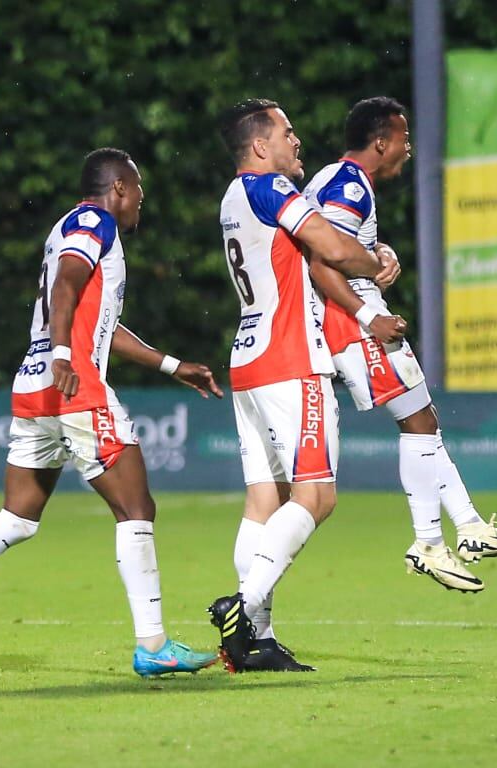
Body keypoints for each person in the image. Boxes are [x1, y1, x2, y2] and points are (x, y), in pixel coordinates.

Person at [0, 148, 222, 680]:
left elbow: (102, 326)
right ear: (118, 188)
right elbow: (67, 284)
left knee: (19, 515)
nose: (142, 202)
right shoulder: (95, 221)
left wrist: (171, 365)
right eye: (138, 191)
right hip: (74, 387)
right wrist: (66, 355)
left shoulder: (67, 227)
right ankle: (154, 645)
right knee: (136, 507)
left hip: (35, 386)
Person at [302, 97, 497, 593]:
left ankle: (466, 529)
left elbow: (341, 250)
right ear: (381, 141)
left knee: (422, 419)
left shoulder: (337, 179)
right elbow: (322, 263)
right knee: (417, 422)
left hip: (348, 317)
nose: (408, 150)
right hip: (350, 320)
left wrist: (378, 254)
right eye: (404, 139)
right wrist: (370, 317)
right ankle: (431, 542)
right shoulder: (348, 186)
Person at [207, 99, 406, 673]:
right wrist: (378, 263)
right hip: (291, 359)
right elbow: (334, 246)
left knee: (264, 502)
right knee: (316, 497)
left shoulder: (230, 197)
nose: (297, 142)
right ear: (261, 146)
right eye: (287, 133)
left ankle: (258, 641)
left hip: (249, 356)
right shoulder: (268, 188)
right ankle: (242, 609)